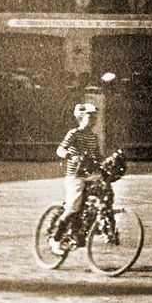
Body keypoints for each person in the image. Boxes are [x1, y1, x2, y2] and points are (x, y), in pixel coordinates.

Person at [51, 102, 103, 250]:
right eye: (90, 117)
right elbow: (60, 150)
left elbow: (98, 156)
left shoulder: (94, 137)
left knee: (98, 201)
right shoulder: (74, 133)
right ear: (81, 118)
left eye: (95, 117)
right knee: (73, 207)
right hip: (75, 176)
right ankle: (55, 240)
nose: (93, 120)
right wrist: (70, 156)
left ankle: (81, 232)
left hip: (90, 175)